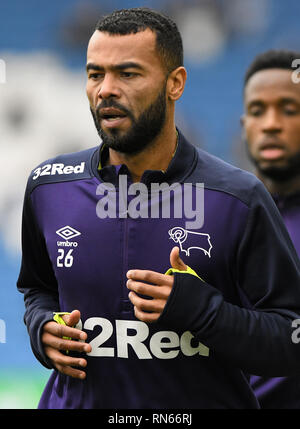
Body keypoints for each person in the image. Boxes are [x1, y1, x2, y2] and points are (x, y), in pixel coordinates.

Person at [17, 8, 300, 409]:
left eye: (128, 74)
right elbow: (37, 289)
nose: (106, 90)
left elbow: (291, 338)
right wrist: (42, 329)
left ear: (175, 84)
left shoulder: (239, 197)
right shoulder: (49, 187)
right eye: (95, 74)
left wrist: (204, 312)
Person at [241, 49, 300, 408]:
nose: (271, 124)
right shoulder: (222, 218)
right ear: (244, 124)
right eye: (258, 111)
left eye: (289, 109)